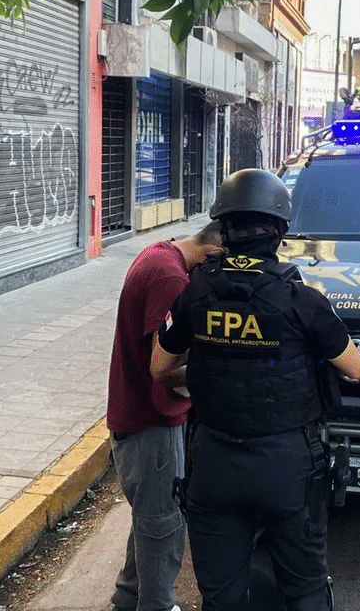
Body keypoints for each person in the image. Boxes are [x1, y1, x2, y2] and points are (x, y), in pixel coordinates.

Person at [150, 168, 360, 611]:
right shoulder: (302, 300)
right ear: (280, 232)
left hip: (213, 462)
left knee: (222, 596)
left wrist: (215, 363)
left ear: (225, 230)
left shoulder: (195, 293)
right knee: (304, 588)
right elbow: (355, 369)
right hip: (287, 466)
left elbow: (159, 367)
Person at [106, 220, 224, 611]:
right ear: (212, 254)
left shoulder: (160, 252)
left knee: (149, 515)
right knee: (164, 526)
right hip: (150, 422)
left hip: (137, 415)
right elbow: (165, 367)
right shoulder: (170, 279)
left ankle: (129, 596)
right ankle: (155, 604)